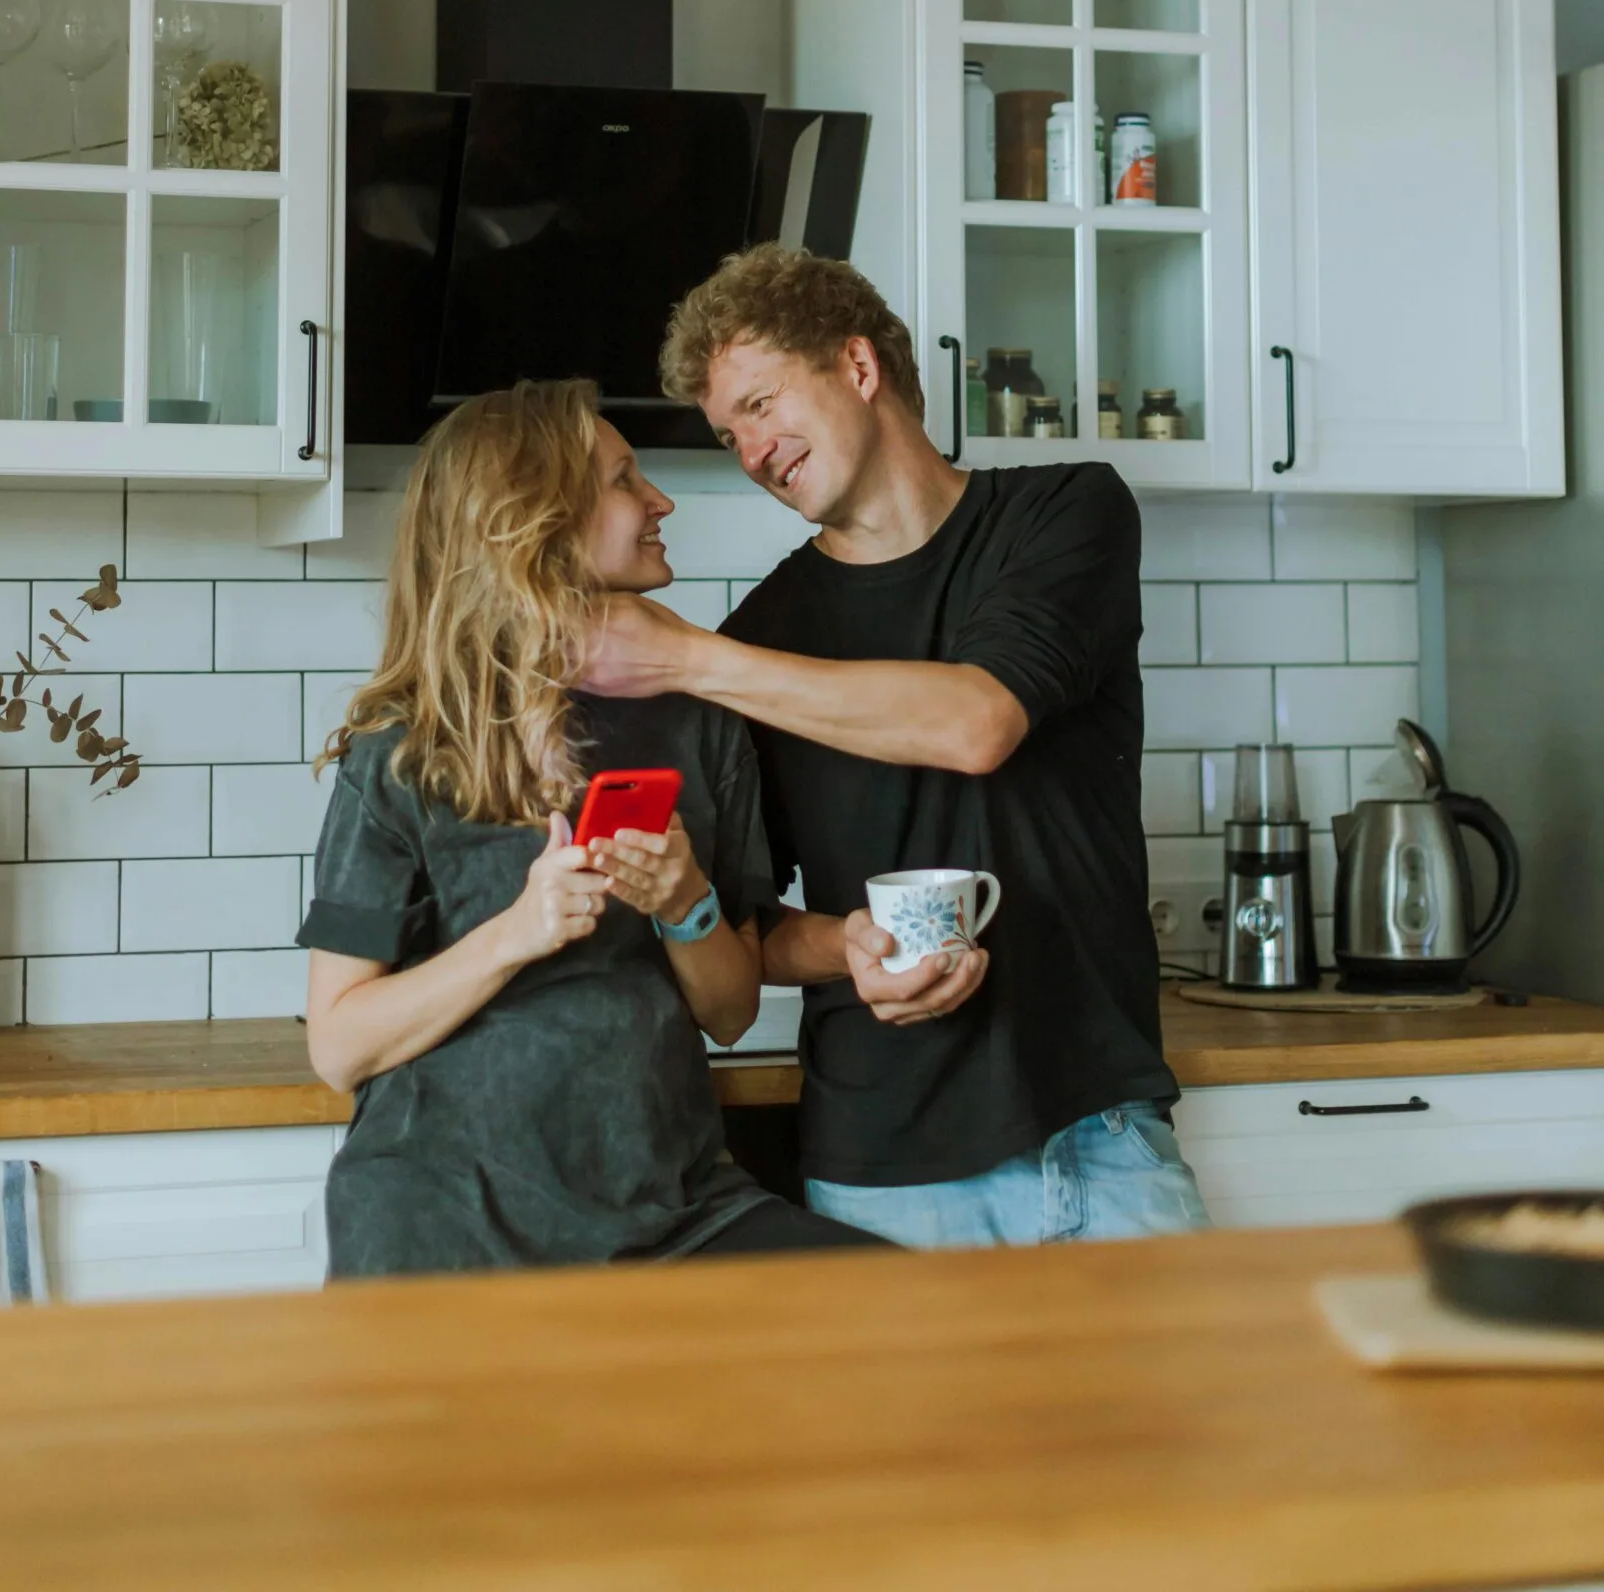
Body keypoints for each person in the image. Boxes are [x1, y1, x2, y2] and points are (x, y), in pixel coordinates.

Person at [579, 245, 1211, 1251]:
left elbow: (978, 723)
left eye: (760, 403)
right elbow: (744, 933)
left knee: (1185, 1417)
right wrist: (848, 951)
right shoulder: (753, 640)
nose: (749, 451)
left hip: (1100, 1131)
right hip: (883, 1165)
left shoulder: (1064, 513)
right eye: (727, 432)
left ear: (858, 368)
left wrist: (688, 660)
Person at [298, 377, 888, 1275]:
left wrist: (684, 902)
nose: (661, 501)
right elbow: (339, 1047)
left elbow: (726, 1013)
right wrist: (515, 933)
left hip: (673, 1212)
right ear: (533, 518)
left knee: (895, 1315)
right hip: (442, 1230)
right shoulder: (405, 753)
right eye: (623, 480)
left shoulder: (698, 720)